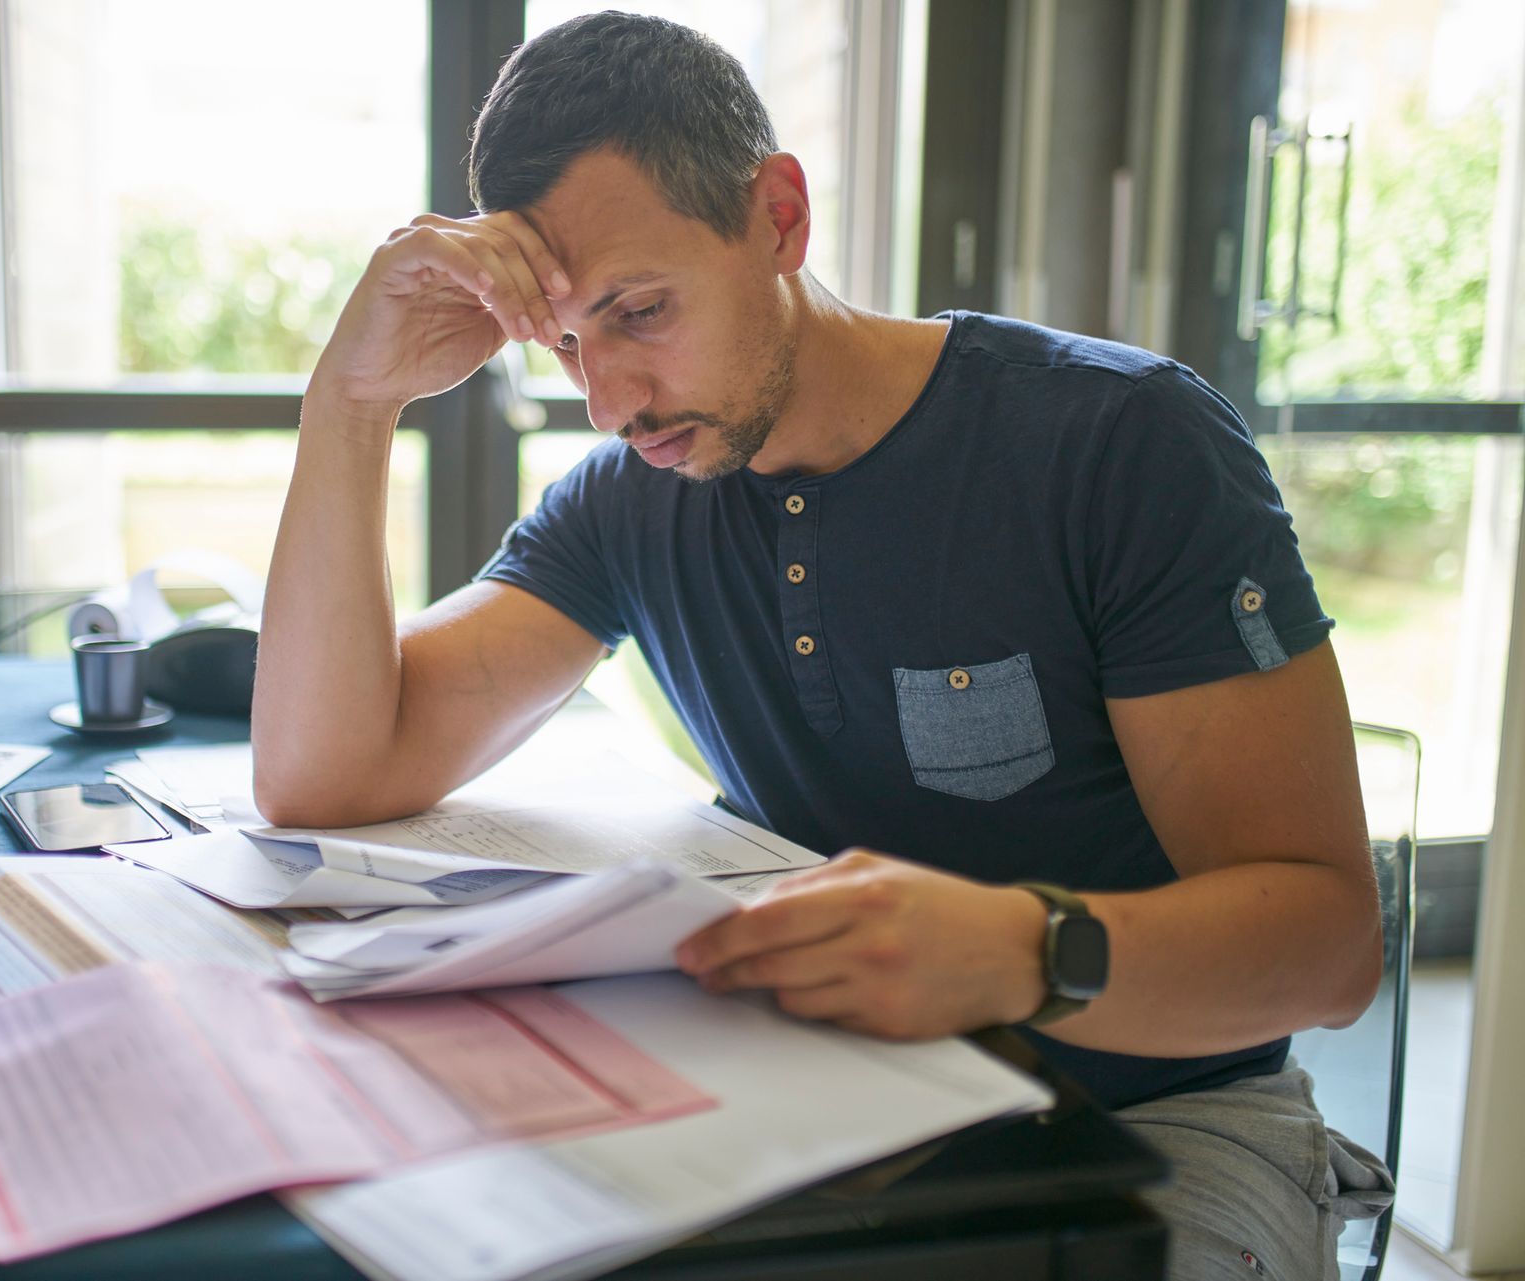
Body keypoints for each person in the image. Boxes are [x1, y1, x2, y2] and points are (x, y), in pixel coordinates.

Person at [253, 11, 1392, 1277]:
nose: (609, 400)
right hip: (827, 1112)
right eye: (569, 341)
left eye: (639, 310)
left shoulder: (1121, 447)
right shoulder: (636, 497)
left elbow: (1329, 950)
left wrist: (1020, 949)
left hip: (1159, 1122)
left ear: (779, 219)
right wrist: (350, 404)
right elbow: (328, 774)